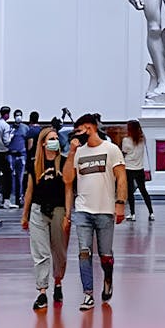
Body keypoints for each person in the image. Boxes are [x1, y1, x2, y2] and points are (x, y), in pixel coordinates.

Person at [63, 113, 127, 311]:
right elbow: (67, 179)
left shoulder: (111, 149)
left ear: (89, 128)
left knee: (105, 254)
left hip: (105, 209)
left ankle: (108, 278)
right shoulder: (78, 152)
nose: (76, 134)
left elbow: (121, 177)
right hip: (83, 210)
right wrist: (72, 153)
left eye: (79, 130)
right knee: (84, 252)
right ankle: (88, 293)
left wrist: (120, 203)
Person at [21, 127, 69, 311]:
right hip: (38, 209)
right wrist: (25, 215)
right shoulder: (34, 164)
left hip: (58, 210)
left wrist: (68, 214)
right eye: (51, 138)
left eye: (56, 138)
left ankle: (58, 282)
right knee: (40, 252)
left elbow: (68, 190)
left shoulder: (64, 162)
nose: (54, 141)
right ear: (43, 143)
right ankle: (42, 291)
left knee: (59, 251)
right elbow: (29, 190)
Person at [121, 119, 154, 222]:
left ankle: (133, 213)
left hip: (128, 168)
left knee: (130, 192)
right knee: (143, 191)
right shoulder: (142, 139)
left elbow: (124, 153)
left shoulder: (126, 140)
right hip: (140, 168)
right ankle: (151, 212)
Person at [8, 109, 29, 207]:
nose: (18, 117)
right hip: (11, 155)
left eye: (20, 115)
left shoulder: (25, 128)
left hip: (22, 155)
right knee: (11, 178)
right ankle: (12, 199)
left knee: (20, 179)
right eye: (17, 115)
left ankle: (19, 199)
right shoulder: (10, 128)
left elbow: (28, 142)